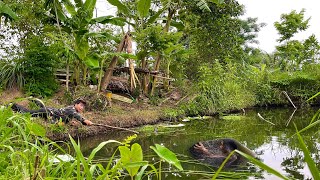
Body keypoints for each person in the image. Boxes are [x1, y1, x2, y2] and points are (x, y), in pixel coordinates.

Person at [11, 98, 93, 126]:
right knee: (28, 113)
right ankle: (13, 106)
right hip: (47, 112)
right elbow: (76, 116)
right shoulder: (71, 109)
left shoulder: (73, 112)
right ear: (75, 104)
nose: (82, 108)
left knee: (38, 109)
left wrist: (70, 123)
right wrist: (85, 120)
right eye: (81, 105)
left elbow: (65, 119)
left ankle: (35, 101)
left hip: (50, 114)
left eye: (83, 106)